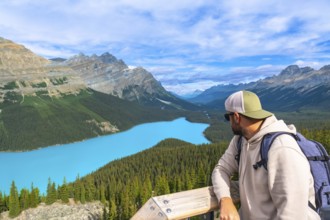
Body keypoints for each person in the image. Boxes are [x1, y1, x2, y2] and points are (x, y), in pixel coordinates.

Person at [211, 90, 320, 220]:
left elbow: (293, 214)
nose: (228, 121)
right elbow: (221, 169)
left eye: (227, 117)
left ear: (236, 117)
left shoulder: (282, 148)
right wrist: (225, 200)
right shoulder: (240, 140)